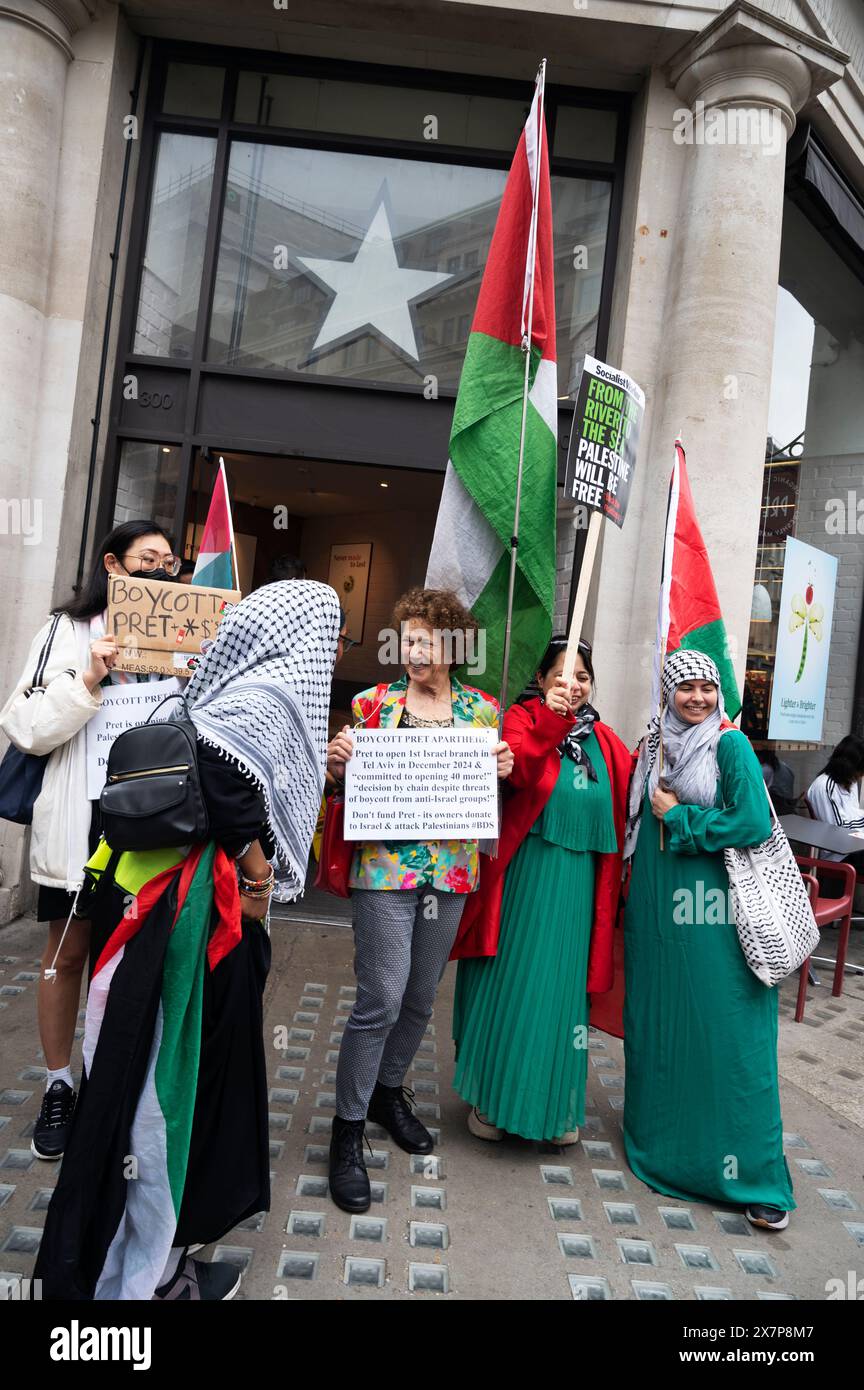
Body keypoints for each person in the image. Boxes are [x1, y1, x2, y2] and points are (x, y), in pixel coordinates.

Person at [33, 579, 341, 1300]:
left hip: (147, 910)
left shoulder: (201, 695)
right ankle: (150, 1269)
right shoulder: (260, 703)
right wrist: (261, 881)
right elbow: (230, 790)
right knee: (176, 1080)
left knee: (146, 1069)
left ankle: (151, 1245)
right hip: (196, 925)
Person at [324, 587, 513, 1213]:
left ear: (454, 648)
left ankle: (388, 1090)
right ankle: (347, 1130)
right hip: (383, 870)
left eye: (425, 643)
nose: (412, 653)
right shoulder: (372, 705)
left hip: (451, 872)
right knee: (379, 995)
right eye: (406, 641)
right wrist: (338, 759)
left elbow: (491, 794)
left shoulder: (484, 714)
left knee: (419, 995)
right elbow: (342, 778)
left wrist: (503, 769)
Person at [0, 520, 181, 1162]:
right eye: (146, 560)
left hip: (154, 824)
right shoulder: (63, 632)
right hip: (83, 818)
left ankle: (114, 1083)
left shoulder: (187, 640)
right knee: (68, 952)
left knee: (134, 960)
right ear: (112, 565)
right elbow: (24, 726)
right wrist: (88, 678)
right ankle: (57, 1085)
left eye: (169, 562)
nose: (160, 572)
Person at [622, 649, 795, 1231]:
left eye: (706, 688)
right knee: (664, 1025)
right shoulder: (654, 744)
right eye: (684, 688)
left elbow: (752, 822)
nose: (696, 697)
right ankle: (667, 1152)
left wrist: (681, 820)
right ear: (667, 693)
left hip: (717, 914)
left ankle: (755, 1176)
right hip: (657, 909)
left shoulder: (730, 745)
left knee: (728, 1031)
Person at [450, 637, 631, 1145]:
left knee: (559, 999)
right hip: (522, 881)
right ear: (541, 680)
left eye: (582, 678)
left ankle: (551, 1110)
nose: (572, 685)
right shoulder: (520, 720)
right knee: (511, 985)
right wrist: (551, 723)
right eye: (560, 676)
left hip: (577, 893)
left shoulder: (608, 741)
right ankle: (492, 1101)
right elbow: (523, 773)